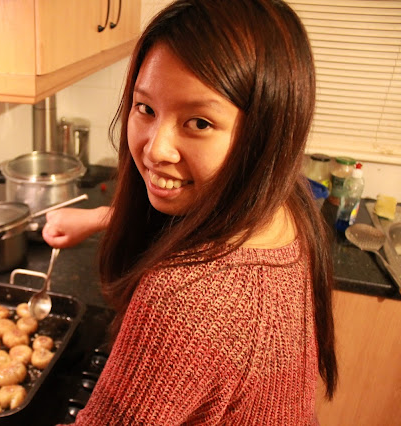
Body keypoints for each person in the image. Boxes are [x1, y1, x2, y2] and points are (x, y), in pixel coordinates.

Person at [45, 0, 337, 424]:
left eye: (199, 123)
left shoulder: (186, 298)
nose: (156, 149)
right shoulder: (285, 205)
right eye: (145, 108)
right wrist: (97, 217)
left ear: (264, 135)